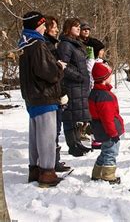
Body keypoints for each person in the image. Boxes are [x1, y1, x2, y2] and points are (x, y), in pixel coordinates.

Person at [18, 11, 66, 187]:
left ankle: (35, 169)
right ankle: (47, 172)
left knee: (35, 135)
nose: (45, 28)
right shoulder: (37, 44)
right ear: (36, 25)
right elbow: (48, 72)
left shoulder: (24, 43)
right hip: (43, 95)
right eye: (43, 24)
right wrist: (59, 67)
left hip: (32, 96)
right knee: (47, 136)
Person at [57, 18, 92, 156]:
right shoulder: (65, 45)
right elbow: (62, 66)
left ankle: (77, 142)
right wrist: (79, 76)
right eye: (75, 26)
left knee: (76, 115)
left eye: (79, 26)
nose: (79, 28)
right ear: (68, 28)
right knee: (69, 116)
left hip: (80, 85)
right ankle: (72, 145)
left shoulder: (76, 44)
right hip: (71, 84)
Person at [44, 16, 72, 172]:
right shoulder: (47, 46)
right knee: (53, 129)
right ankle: (51, 162)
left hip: (56, 92)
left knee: (56, 128)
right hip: (51, 95)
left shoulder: (52, 45)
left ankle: (54, 160)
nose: (56, 29)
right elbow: (52, 73)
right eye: (53, 26)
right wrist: (61, 92)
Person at [89, 62, 124, 184]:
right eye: (109, 75)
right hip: (108, 130)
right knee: (111, 152)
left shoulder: (95, 93)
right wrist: (113, 133)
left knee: (105, 151)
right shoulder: (105, 96)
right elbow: (107, 118)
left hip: (100, 129)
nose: (111, 76)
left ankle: (97, 172)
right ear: (104, 78)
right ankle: (108, 175)